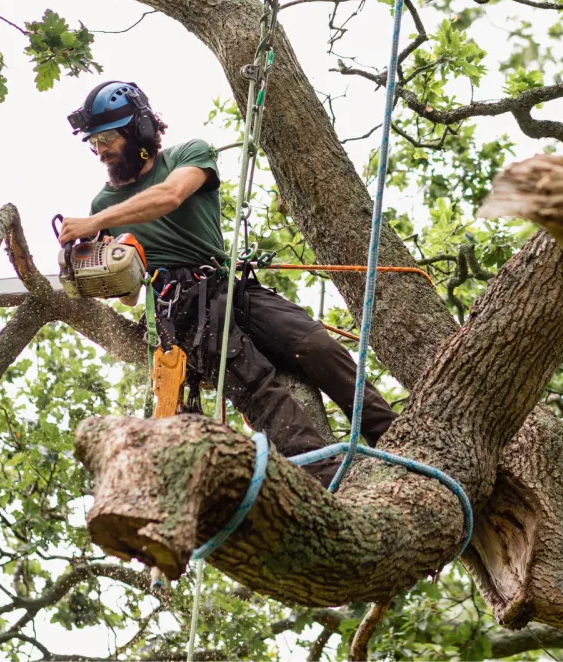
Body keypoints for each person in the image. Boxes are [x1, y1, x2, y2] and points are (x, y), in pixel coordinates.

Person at [57, 80, 398, 486]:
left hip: (227, 286)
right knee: (257, 385)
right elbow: (131, 297)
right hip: (180, 306)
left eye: (108, 137)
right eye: (94, 142)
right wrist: (101, 267)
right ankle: (329, 480)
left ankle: (394, 437)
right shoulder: (104, 204)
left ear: (141, 131)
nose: (101, 150)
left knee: (315, 344)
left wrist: (97, 223)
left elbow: (170, 196)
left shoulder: (189, 155)